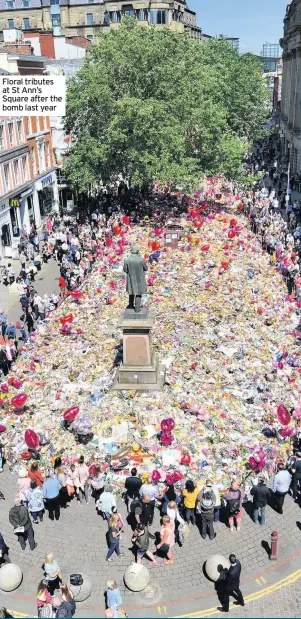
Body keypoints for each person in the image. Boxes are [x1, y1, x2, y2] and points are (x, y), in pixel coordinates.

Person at [123, 247, 148, 312]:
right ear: (137, 252)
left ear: (131, 252)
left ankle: (131, 305)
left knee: (131, 292)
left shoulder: (127, 260)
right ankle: (137, 308)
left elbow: (125, 270)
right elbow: (146, 268)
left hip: (131, 278)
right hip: (140, 279)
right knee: (138, 293)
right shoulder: (141, 260)